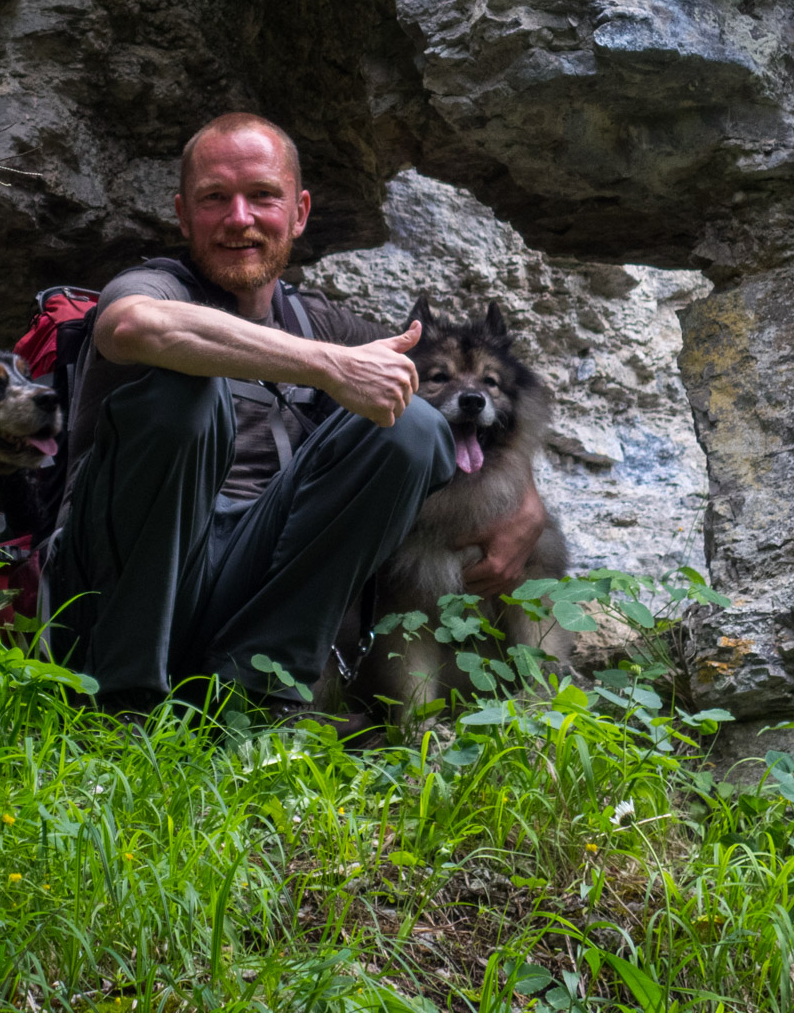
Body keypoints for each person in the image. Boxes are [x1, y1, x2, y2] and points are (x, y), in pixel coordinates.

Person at [48, 112, 549, 719]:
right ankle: (122, 699)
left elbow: (455, 396)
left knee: (412, 423)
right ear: (183, 215)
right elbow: (132, 325)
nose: (240, 219)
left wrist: (525, 502)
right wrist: (326, 367)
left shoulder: (323, 323)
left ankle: (260, 700)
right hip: (127, 586)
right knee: (184, 393)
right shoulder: (157, 286)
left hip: (251, 582)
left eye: (263, 196)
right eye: (215, 199)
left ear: (299, 212)